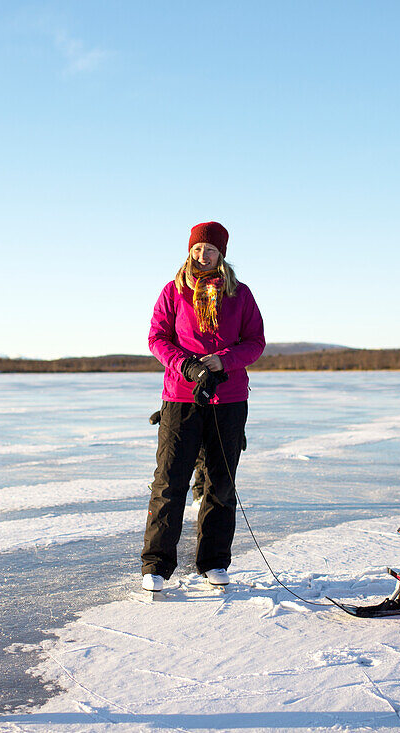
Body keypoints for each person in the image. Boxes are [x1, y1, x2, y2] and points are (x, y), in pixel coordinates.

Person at [140, 221, 265, 591]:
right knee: (170, 482)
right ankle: (156, 566)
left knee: (220, 484)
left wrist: (222, 361)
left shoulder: (239, 294)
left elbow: (255, 341)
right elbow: (157, 338)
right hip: (181, 398)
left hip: (228, 400)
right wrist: (189, 365)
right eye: (197, 249)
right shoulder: (174, 291)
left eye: (209, 250)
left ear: (221, 255)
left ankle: (213, 562)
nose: (202, 255)